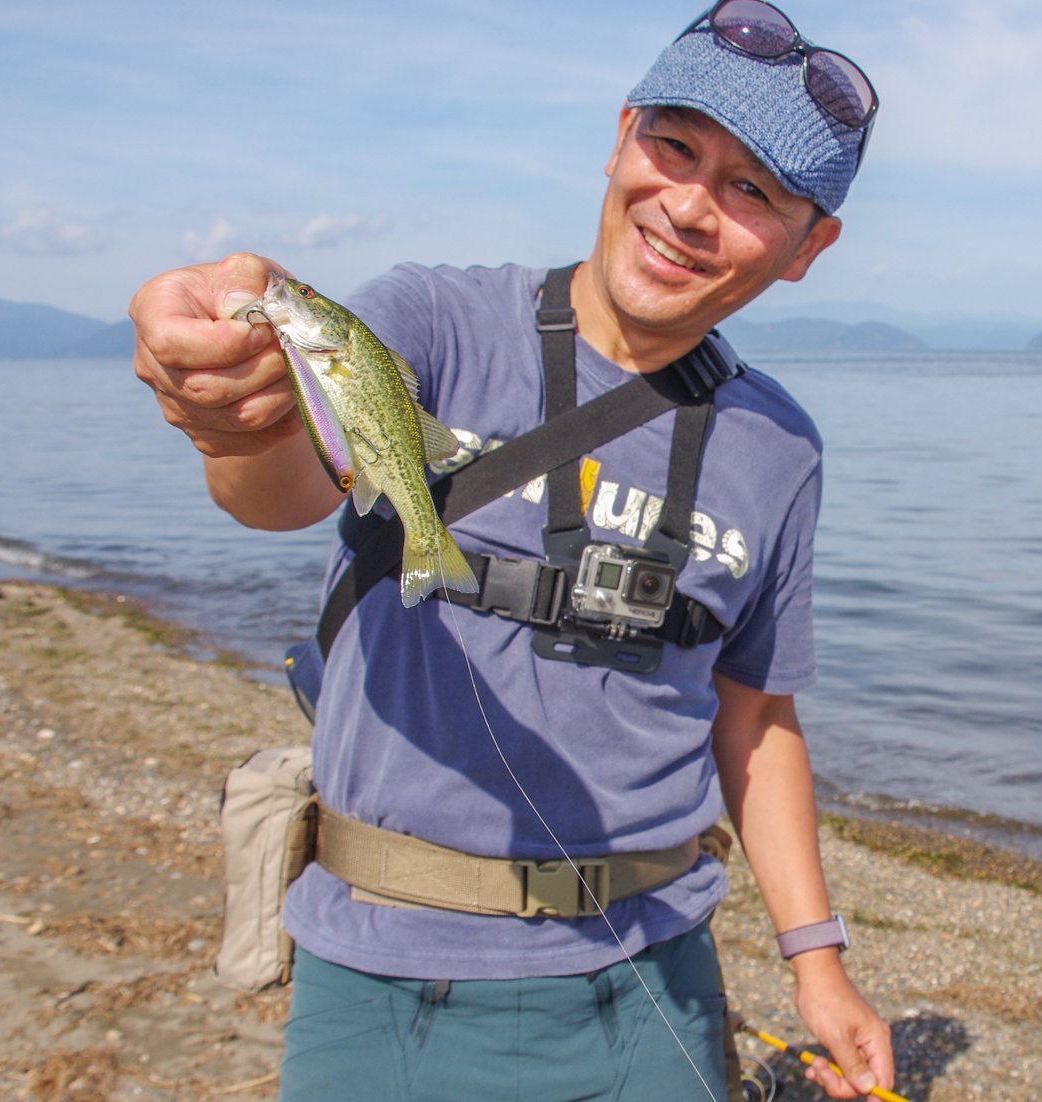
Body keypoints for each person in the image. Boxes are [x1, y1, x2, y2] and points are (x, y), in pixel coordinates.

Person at [130, 2, 894, 1098]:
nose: (687, 206)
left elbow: (756, 714)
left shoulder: (778, 448)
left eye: (753, 191)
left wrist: (814, 962)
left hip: (653, 975)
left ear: (806, 247)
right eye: (673, 147)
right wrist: (232, 416)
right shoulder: (431, 323)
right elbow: (282, 493)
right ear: (620, 134)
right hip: (386, 971)